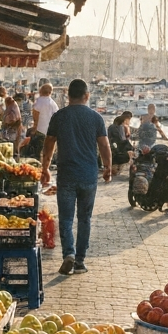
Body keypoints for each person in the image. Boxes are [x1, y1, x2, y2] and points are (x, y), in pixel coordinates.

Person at [41, 79, 112, 275]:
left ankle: (68, 254)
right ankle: (80, 261)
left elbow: (49, 144)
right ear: (87, 96)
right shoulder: (96, 117)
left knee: (65, 218)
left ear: (68, 96)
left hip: (66, 175)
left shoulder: (59, 117)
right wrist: (108, 167)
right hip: (89, 175)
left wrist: (45, 168)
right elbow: (104, 145)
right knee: (84, 219)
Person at [25, 83, 58, 161]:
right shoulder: (53, 103)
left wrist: (34, 129)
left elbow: (36, 117)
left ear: (41, 91)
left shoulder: (39, 101)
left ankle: (39, 167)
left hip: (40, 130)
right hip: (50, 131)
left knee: (38, 151)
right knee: (48, 152)